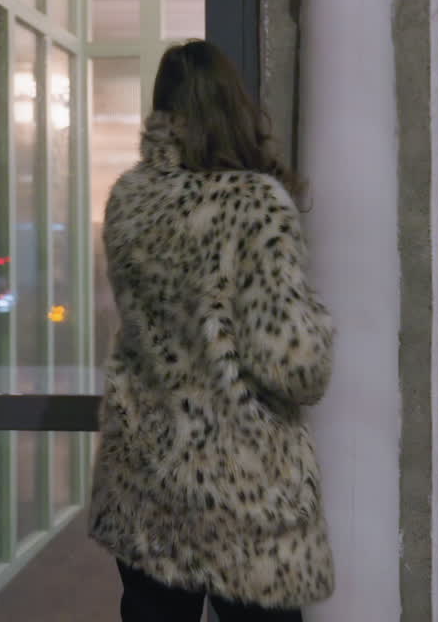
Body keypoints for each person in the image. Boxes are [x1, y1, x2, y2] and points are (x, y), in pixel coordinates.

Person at [87, 39, 336, 622]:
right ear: (232, 107)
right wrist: (318, 325)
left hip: (147, 476)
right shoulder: (253, 203)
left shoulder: (129, 198)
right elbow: (295, 365)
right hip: (240, 485)